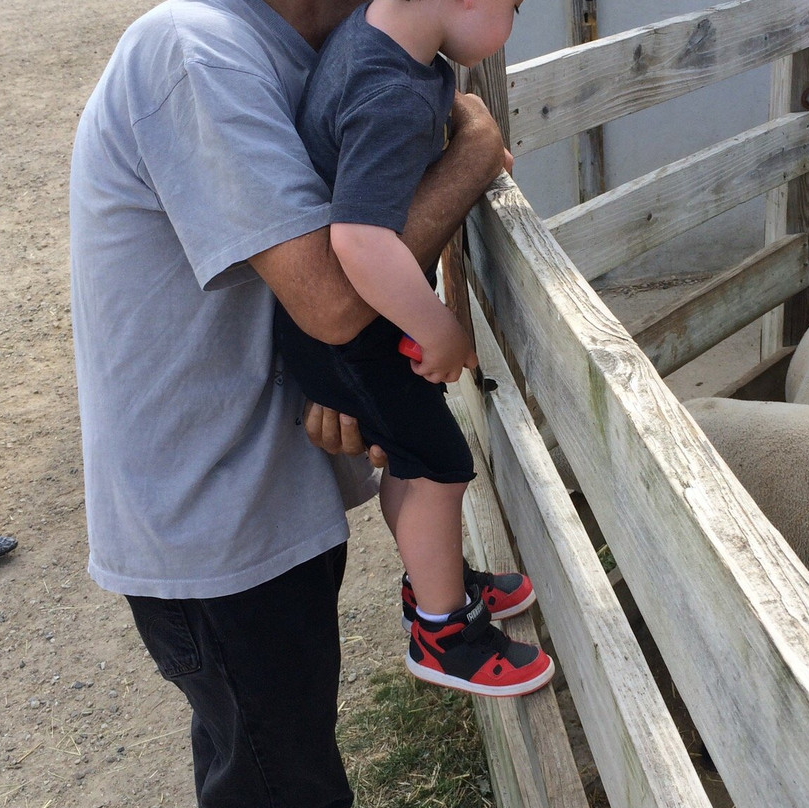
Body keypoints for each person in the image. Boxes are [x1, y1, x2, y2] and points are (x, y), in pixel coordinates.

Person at [69, 0, 513, 804]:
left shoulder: (323, 52)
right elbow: (335, 300)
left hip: (261, 498)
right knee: (282, 779)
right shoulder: (194, 55)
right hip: (213, 524)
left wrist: (328, 382)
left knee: (265, 753)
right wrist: (477, 150)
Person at [274, 0, 553, 698]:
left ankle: (440, 585)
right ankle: (443, 635)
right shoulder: (391, 90)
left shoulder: (378, 40)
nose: (511, 24)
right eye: (514, 6)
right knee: (440, 465)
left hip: (353, 329)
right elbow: (360, 241)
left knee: (415, 457)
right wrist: (439, 328)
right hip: (359, 334)